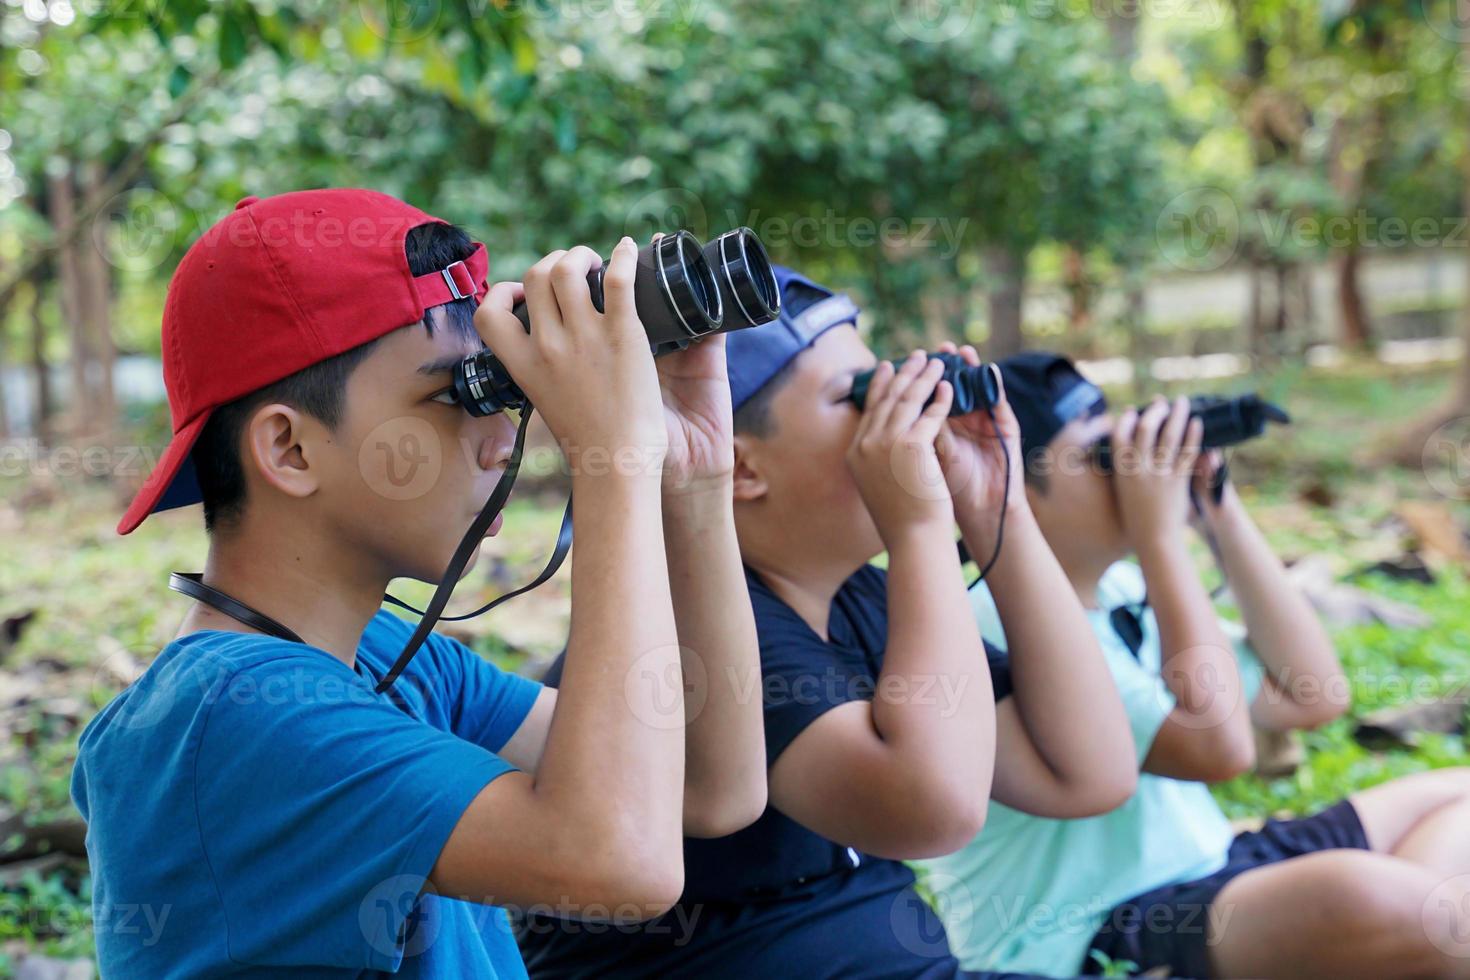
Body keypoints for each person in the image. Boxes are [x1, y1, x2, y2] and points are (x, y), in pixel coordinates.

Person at [70, 189, 767, 977]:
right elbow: (621, 860)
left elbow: (714, 787)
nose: (503, 440)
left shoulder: (383, 657)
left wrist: (697, 488)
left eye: (499, 391)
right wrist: (615, 462)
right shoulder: (233, 716)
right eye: (454, 395)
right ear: (291, 452)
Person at [516, 269, 1137, 978]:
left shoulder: (861, 600)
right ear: (741, 465)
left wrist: (998, 506)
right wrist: (922, 526)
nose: (906, 417)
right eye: (859, 399)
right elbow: (933, 811)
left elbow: (1090, 774)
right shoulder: (708, 629)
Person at [920, 351, 1470, 979]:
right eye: (1108, 461)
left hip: (1218, 867)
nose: (1140, 473)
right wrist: (1160, 539)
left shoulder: (1121, 585)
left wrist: (1215, 506)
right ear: (1012, 485)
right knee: (1401, 904)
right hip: (1093, 930)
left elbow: (1311, 692)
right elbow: (1219, 749)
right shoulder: (996, 617)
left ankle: (1417, 945)